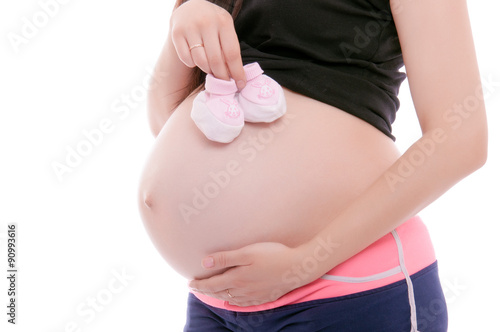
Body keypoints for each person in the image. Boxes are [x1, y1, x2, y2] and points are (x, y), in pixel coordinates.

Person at [137, 0, 488, 331]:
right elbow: (165, 123)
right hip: (218, 302)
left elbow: (460, 141)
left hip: (347, 292)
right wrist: (183, 19)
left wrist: (306, 262)